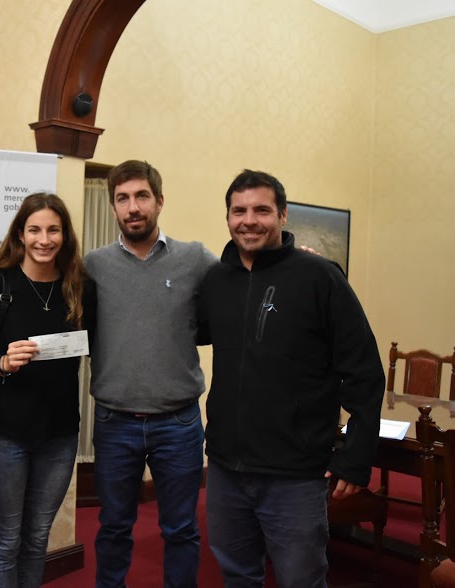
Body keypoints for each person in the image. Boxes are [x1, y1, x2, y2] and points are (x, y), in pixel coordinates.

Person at [197, 169, 384, 588]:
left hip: (295, 475)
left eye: (262, 210)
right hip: (226, 468)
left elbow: (365, 372)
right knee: (237, 576)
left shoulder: (320, 277)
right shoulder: (216, 281)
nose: (249, 220)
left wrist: (355, 458)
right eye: (239, 211)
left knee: (301, 580)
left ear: (282, 215)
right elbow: (188, 331)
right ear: (227, 217)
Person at [83, 160, 218, 588]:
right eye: (122, 199)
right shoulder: (93, 265)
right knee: (113, 527)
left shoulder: (194, 258)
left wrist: (293, 260)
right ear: (113, 207)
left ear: (159, 201)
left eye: (141, 196)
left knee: (181, 529)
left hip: (178, 423)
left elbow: (242, 284)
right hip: (114, 422)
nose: (133, 207)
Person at [0, 192, 84, 587]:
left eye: (53, 230)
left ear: (65, 235)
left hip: (61, 435)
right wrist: (0, 363)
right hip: (6, 437)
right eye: (34, 230)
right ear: (20, 233)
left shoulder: (79, 288)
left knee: (37, 540)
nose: (44, 240)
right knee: (6, 542)